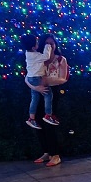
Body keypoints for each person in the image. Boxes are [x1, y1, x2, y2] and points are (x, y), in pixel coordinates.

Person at [25, 34, 68, 167]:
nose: (50, 46)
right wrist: (36, 87)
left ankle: (55, 154)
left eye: (52, 43)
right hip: (38, 91)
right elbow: (27, 77)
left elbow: (64, 78)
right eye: (47, 43)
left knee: (50, 123)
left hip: (52, 92)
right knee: (38, 122)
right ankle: (46, 151)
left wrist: (46, 81)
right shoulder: (37, 58)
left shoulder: (60, 59)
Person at [21, 34, 58, 129]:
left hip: (31, 77)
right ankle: (48, 115)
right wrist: (47, 47)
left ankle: (31, 118)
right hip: (36, 78)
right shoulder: (35, 55)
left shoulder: (28, 53)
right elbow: (46, 56)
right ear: (33, 47)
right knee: (48, 95)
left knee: (35, 98)